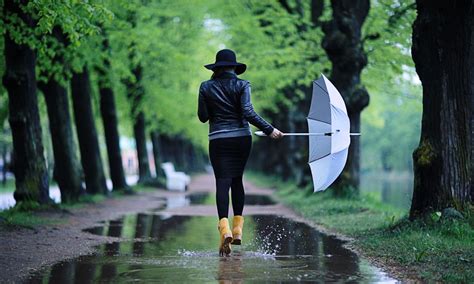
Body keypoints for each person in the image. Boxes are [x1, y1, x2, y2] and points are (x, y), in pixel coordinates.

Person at [198, 49, 283, 256]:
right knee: (237, 180)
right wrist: (269, 129)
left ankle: (224, 228)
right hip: (241, 139)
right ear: (235, 67)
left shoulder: (206, 87)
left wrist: (210, 100)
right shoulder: (243, 84)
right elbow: (247, 111)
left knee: (222, 182)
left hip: (218, 139)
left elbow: (202, 117)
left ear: (216, 68)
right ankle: (237, 229)